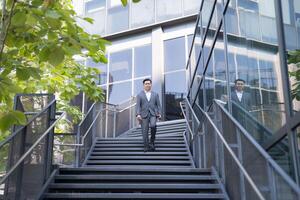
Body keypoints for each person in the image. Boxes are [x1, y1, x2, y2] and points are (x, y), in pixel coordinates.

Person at [136, 78, 162, 152]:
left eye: (149, 83)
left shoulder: (155, 94)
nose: (148, 85)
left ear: (151, 84)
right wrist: (138, 114)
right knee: (144, 131)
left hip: (153, 114)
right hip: (143, 115)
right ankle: (146, 146)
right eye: (146, 83)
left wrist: (159, 113)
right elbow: (138, 106)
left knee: (153, 126)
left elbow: (158, 105)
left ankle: (152, 141)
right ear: (143, 85)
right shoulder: (139, 95)